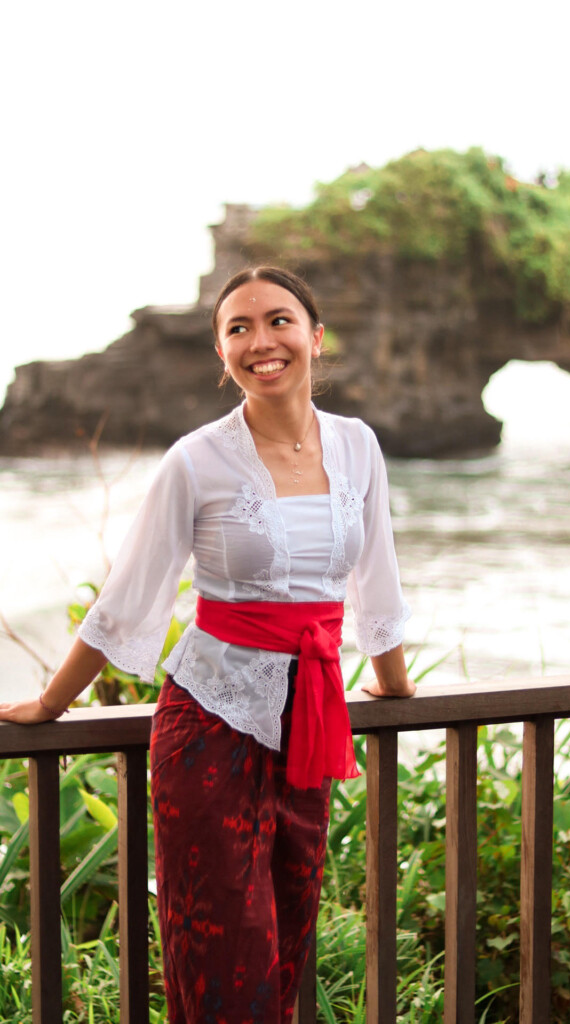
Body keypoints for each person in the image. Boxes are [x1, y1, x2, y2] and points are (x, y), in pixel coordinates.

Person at [0, 266, 415, 1023]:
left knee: (285, 943)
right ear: (221, 354)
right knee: (224, 951)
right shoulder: (196, 460)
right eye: (238, 328)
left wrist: (393, 683)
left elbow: (376, 581)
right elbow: (128, 594)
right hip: (209, 725)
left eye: (279, 321)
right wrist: (51, 702)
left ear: (315, 338)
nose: (261, 340)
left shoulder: (359, 447)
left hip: (310, 727)